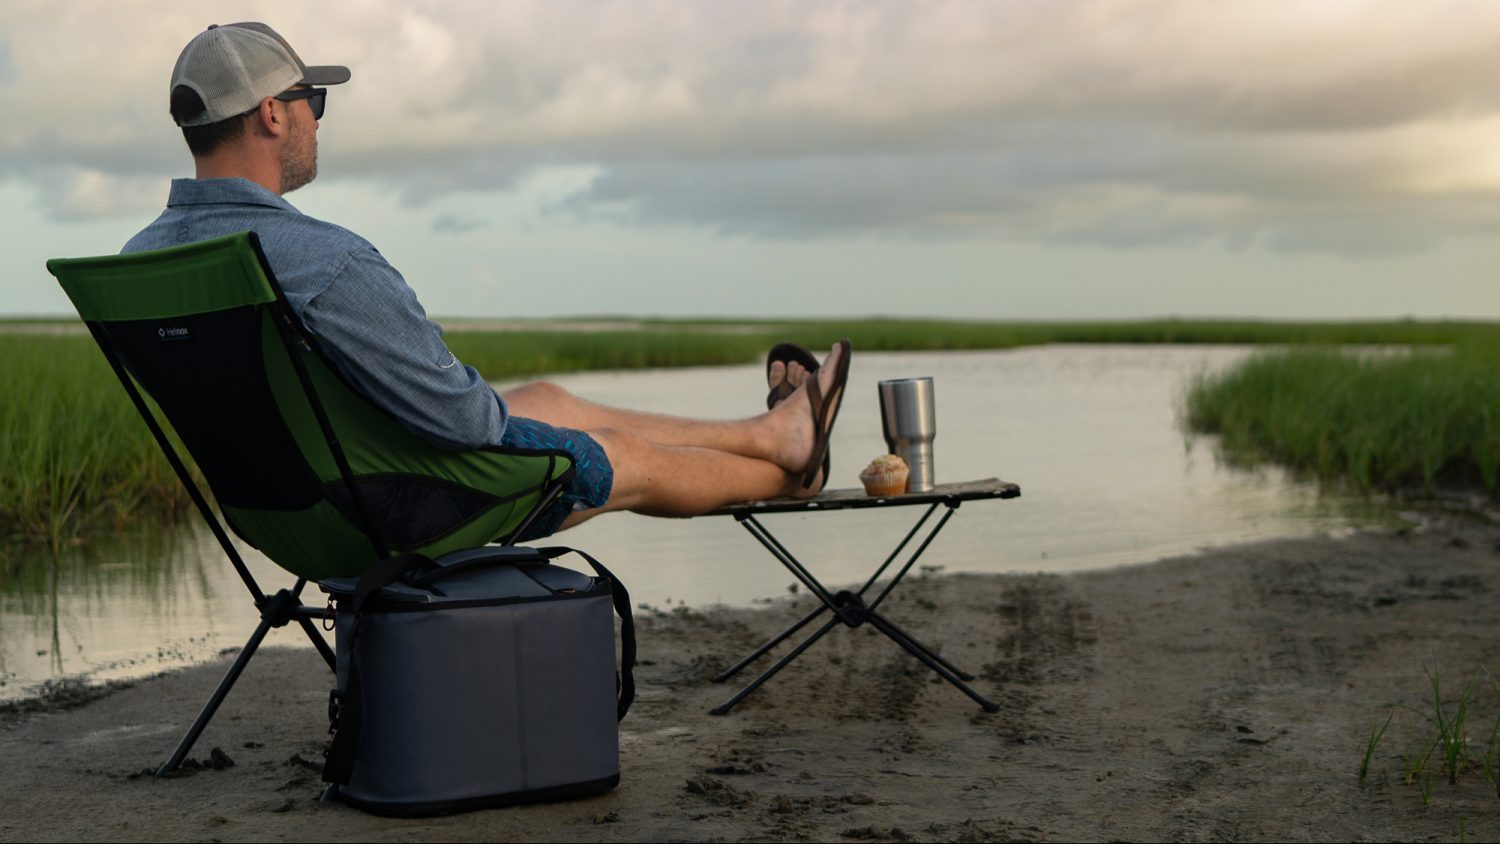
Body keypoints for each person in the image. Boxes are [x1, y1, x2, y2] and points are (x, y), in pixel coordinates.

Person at [124, 22, 850, 541]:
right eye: (313, 101)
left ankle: (775, 436)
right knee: (617, 455)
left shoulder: (141, 267)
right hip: (394, 514)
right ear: (273, 114)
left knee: (550, 400)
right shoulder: (324, 261)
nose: (318, 119)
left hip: (278, 520)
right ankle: (794, 473)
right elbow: (470, 426)